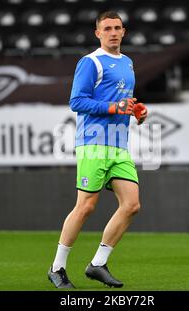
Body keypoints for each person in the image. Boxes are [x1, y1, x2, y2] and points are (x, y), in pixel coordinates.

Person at [48, 11, 148, 289]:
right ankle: (57, 268)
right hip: (93, 143)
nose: (113, 32)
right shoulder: (90, 62)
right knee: (86, 207)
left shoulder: (127, 63)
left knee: (132, 205)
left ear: (124, 31)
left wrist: (136, 111)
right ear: (98, 33)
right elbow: (77, 101)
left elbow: (123, 100)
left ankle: (98, 264)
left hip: (119, 145)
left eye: (117, 28)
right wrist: (113, 108)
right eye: (107, 28)